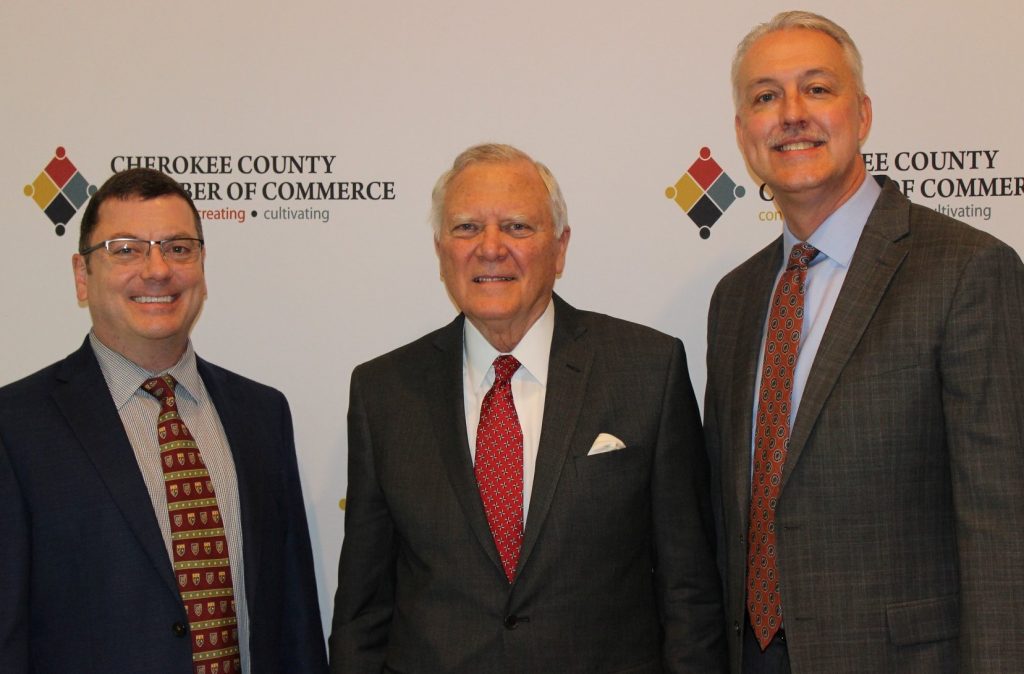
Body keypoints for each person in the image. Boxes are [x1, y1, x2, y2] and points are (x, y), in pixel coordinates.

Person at [705, 10, 1024, 674]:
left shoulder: (966, 270)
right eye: (766, 96)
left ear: (863, 113)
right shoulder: (735, 300)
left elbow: (1003, 526)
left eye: (817, 89)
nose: (791, 113)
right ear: (743, 133)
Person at [329, 143, 725, 673]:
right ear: (441, 250)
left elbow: (689, 595)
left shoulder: (648, 371)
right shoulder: (383, 392)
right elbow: (362, 610)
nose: (490, 248)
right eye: (466, 228)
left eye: (517, 227)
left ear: (560, 249)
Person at [0, 168, 328, 674]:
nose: (157, 270)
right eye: (126, 249)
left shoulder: (262, 415)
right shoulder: (16, 427)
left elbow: (295, 621)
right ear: (82, 276)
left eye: (179, 248)